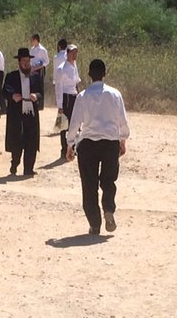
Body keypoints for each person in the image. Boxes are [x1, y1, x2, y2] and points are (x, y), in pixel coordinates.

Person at [67, 58, 130, 235]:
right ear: (104, 74)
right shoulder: (115, 94)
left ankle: (95, 224)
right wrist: (122, 140)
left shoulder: (83, 96)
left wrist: (70, 144)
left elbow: (75, 122)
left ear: (89, 75)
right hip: (110, 142)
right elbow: (122, 120)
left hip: (88, 143)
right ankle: (108, 208)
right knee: (108, 180)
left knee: (89, 184)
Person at [3, 47, 43, 176]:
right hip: (17, 114)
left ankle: (28, 168)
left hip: (31, 113)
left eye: (28, 60)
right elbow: (5, 91)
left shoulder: (35, 76)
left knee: (31, 140)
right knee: (17, 140)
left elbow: (41, 92)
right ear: (19, 62)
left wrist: (36, 96)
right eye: (24, 61)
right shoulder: (11, 76)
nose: (27, 63)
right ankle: (15, 163)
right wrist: (13, 96)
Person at [55, 44, 81, 158]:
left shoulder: (74, 65)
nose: (75, 55)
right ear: (68, 53)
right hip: (65, 97)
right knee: (63, 124)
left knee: (75, 122)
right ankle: (63, 148)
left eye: (76, 52)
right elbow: (58, 88)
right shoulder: (62, 68)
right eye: (73, 52)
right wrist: (60, 105)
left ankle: (73, 146)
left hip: (73, 96)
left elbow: (76, 82)